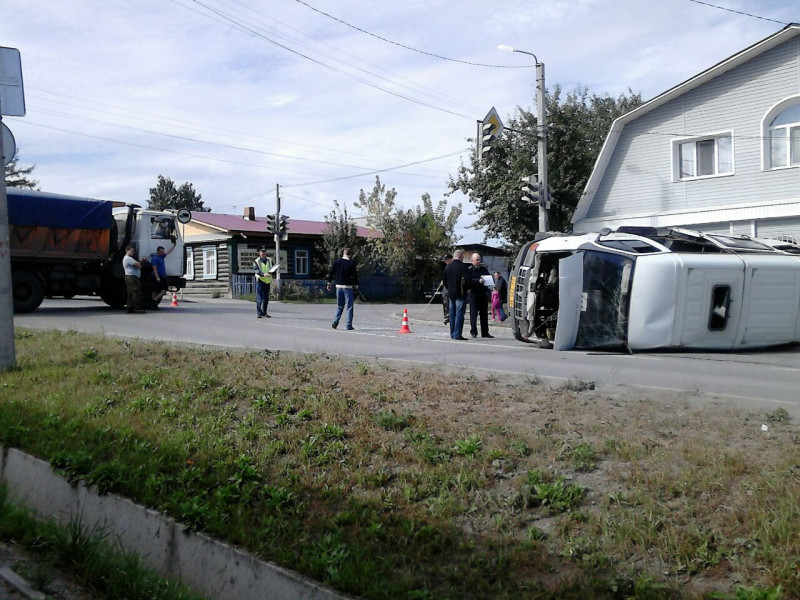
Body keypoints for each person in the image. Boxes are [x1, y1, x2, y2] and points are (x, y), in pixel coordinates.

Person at [326, 248, 358, 330]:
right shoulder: (351, 263)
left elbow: (331, 272)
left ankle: (335, 322)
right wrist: (356, 285)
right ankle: (348, 325)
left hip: (338, 286)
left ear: (343, 253)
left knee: (339, 306)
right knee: (349, 306)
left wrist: (329, 282)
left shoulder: (337, 262)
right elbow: (354, 276)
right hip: (348, 287)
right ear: (350, 254)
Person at [442, 249, 469, 340]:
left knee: (452, 314)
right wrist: (467, 289)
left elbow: (444, 281)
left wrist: (449, 289)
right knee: (459, 314)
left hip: (451, 294)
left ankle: (452, 333)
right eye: (463, 257)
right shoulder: (463, 266)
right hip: (460, 294)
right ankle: (457, 334)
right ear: (461, 257)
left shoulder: (448, 267)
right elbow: (468, 280)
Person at [467, 252, 492, 338]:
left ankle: (485, 332)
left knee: (484, 314)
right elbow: (469, 280)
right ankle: (473, 331)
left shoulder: (483, 269)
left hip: (482, 293)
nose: (478, 261)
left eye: (479, 260)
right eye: (476, 260)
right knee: (473, 314)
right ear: (472, 260)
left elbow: (488, 277)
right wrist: (478, 281)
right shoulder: (469, 270)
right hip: (474, 294)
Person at [150, 245, 174, 309]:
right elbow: (154, 268)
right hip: (157, 276)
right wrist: (157, 277)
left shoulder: (162, 256)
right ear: (158, 251)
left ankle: (154, 300)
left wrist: (174, 245)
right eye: (161, 251)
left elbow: (168, 252)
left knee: (163, 290)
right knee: (155, 290)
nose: (162, 252)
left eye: (163, 251)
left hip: (163, 276)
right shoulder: (155, 258)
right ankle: (154, 304)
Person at [122, 245, 144, 313]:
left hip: (129, 277)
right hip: (131, 277)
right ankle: (136, 307)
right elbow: (138, 265)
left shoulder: (128, 258)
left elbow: (137, 264)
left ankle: (130, 307)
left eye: (133, 251)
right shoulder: (128, 258)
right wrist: (140, 263)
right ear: (127, 250)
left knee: (130, 293)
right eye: (131, 251)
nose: (132, 252)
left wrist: (139, 263)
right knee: (136, 292)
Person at [253, 247, 273, 319]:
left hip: (267, 281)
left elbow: (272, 268)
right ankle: (259, 313)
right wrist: (263, 274)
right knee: (259, 298)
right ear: (259, 253)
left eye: (264, 252)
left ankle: (264, 312)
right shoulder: (256, 261)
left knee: (266, 299)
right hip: (260, 281)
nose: (263, 253)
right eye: (262, 252)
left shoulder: (269, 260)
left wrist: (271, 272)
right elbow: (256, 271)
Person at [441, 254, 452, 325]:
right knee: (444, 299)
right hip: (446, 286)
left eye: (446, 259)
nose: (445, 261)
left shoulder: (452, 266)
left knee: (449, 301)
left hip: (450, 287)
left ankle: (449, 314)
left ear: (450, 259)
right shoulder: (446, 267)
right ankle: (446, 313)